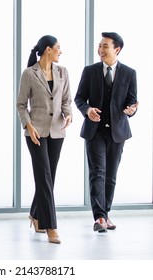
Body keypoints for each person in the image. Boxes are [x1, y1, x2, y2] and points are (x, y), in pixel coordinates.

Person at [74, 32, 138, 232]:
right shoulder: (89, 71)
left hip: (118, 131)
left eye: (105, 46)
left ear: (116, 49)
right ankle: (99, 217)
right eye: (99, 46)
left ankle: (106, 213)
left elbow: (132, 100)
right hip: (95, 131)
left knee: (110, 175)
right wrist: (87, 110)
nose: (100, 50)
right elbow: (79, 98)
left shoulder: (129, 73)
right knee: (97, 173)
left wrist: (132, 109)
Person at [16, 35, 73, 244]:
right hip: (36, 132)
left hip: (57, 131)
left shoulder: (63, 72)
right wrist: (28, 126)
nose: (61, 51)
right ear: (48, 49)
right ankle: (51, 226)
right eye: (58, 47)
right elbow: (21, 105)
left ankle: (36, 214)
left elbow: (66, 100)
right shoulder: (29, 74)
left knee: (49, 178)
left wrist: (69, 114)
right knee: (43, 176)